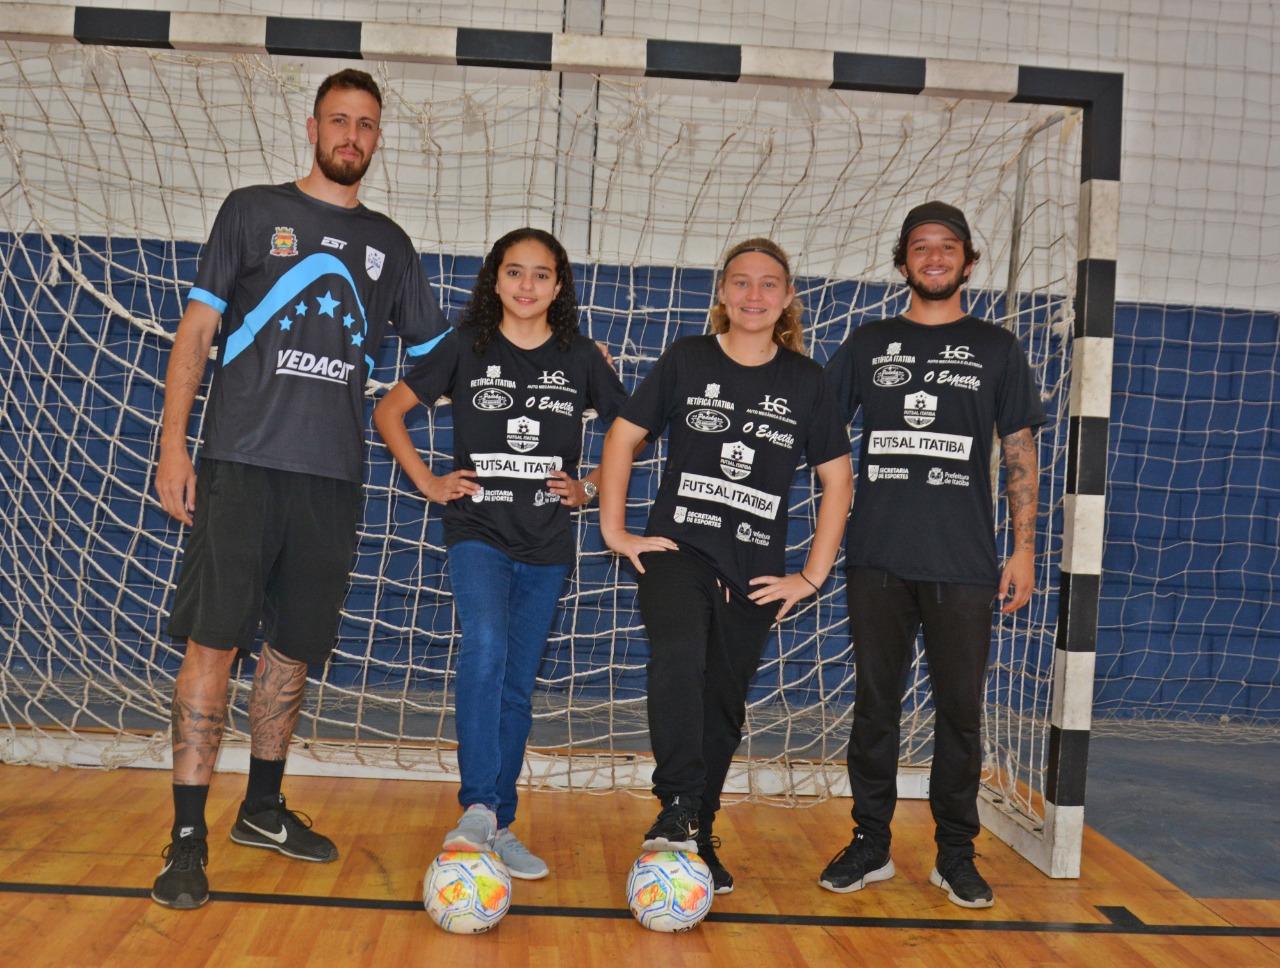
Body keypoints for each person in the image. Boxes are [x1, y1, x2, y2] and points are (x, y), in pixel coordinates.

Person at [150, 69, 448, 909]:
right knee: (213, 644)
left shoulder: (391, 245)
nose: (351, 135)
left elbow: (442, 359)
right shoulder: (250, 210)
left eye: (366, 125)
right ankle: (184, 836)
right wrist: (174, 447)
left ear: (378, 139)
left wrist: (559, 365)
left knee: (291, 653)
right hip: (240, 467)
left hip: (332, 480)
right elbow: (198, 331)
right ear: (312, 126)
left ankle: (264, 807)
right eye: (339, 120)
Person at [599, 238, 853, 894]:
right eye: (740, 282)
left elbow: (838, 481)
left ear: (788, 298)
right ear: (722, 294)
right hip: (676, 550)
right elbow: (623, 436)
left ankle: (699, 830)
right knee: (680, 657)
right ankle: (678, 805)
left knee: (723, 703)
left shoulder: (806, 381)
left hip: (756, 573)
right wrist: (614, 529)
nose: (754, 295)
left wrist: (812, 574)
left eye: (769, 284)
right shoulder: (687, 359)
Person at [373, 227, 625, 879]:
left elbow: (634, 430)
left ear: (559, 286)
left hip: (546, 542)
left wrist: (592, 486)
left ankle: (496, 823)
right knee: (484, 645)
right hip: (476, 532)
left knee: (517, 682)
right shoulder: (464, 347)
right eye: (515, 272)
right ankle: (479, 807)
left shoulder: (581, 358)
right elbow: (389, 411)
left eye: (542, 274)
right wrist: (428, 481)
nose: (527, 285)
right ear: (496, 280)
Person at [818, 201, 1046, 908]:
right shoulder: (867, 342)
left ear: (968, 262)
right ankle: (871, 843)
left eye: (948, 246)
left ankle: (955, 854)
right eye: (921, 245)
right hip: (877, 558)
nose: (935, 256)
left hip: (964, 563)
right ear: (903, 262)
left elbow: (1020, 449)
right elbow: (818, 428)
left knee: (960, 713)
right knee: (875, 708)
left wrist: (1025, 549)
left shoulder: (997, 349)